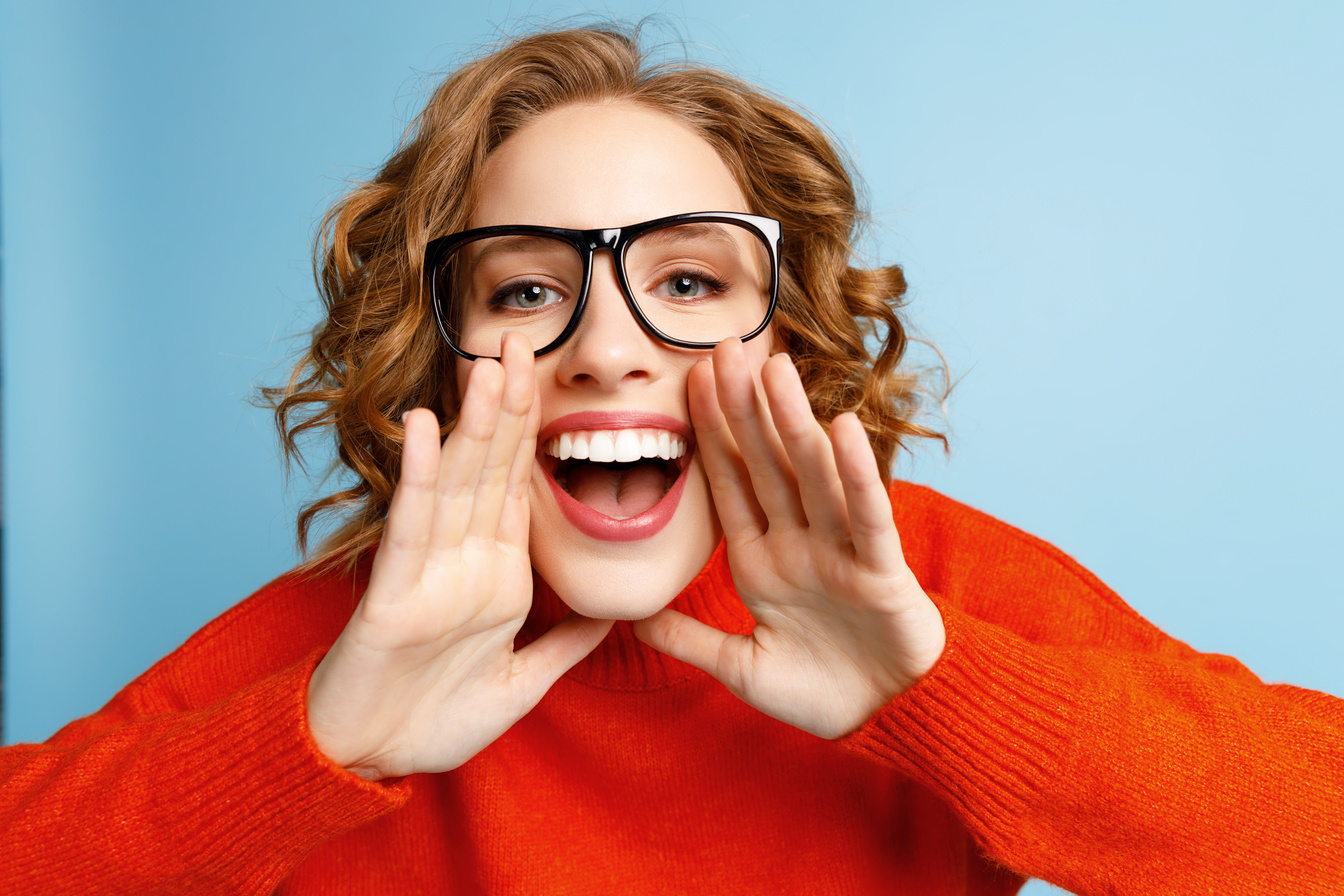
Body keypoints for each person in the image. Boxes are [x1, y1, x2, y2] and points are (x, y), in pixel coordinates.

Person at [3, 24, 1341, 896]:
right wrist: (322, 739)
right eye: (526, 293)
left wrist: (937, 693)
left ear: (791, 340)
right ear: (440, 356)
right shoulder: (357, 640)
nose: (606, 348)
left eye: (689, 280)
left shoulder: (924, 586)